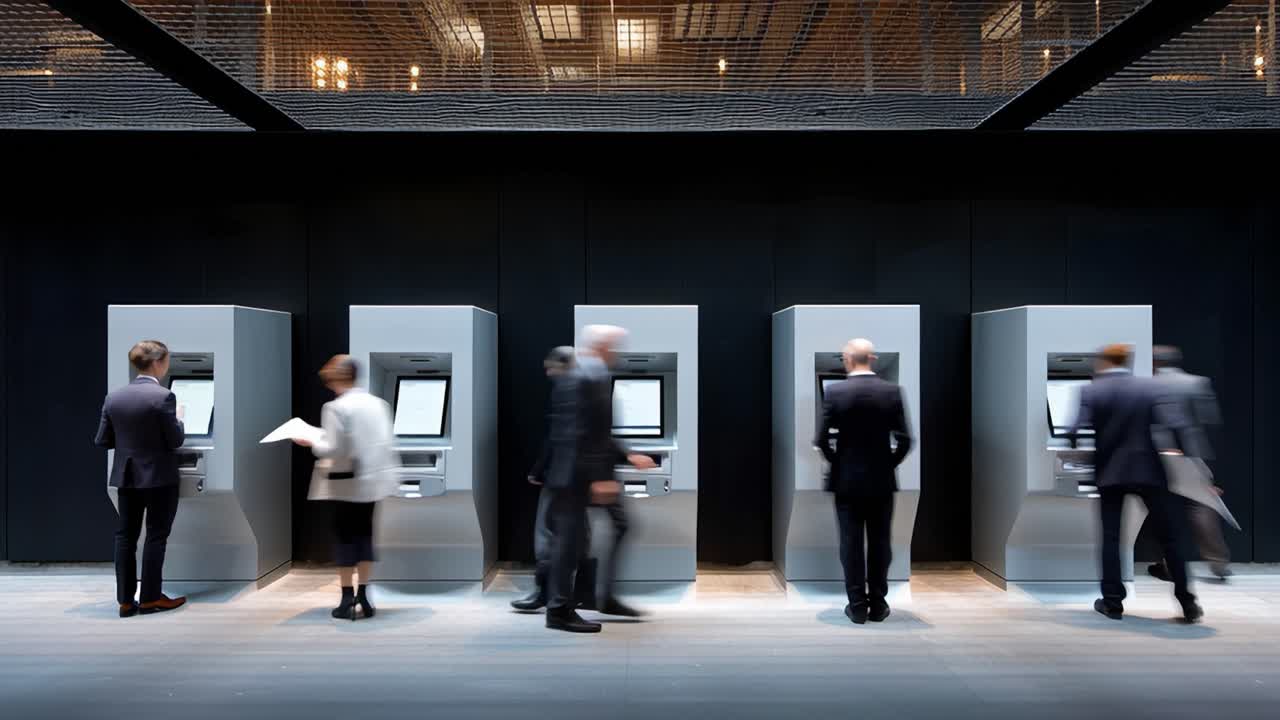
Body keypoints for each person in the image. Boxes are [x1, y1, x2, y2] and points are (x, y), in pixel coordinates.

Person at [1073, 344, 1202, 623]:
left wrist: (1080, 447)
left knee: (1111, 538)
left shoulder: (1091, 390)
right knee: (1169, 537)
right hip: (1148, 471)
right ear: (1127, 361)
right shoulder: (1149, 387)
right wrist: (1191, 459)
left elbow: (1076, 428)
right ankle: (1187, 602)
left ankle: (1112, 603)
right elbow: (1176, 423)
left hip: (1110, 473)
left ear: (1104, 362)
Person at [542, 325, 655, 633]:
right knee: (570, 542)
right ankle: (558, 610)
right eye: (614, 346)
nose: (617, 352)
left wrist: (628, 455)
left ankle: (606, 597)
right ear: (600, 346)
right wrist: (599, 478)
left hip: (589, 471)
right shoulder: (582, 377)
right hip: (577, 476)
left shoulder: (593, 375)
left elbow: (598, 431)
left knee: (621, 525)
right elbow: (576, 434)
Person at [816, 338, 913, 625]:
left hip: (846, 481)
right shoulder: (891, 392)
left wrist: (838, 463)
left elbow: (822, 439)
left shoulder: (835, 392)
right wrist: (887, 464)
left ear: (847, 360)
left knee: (851, 543)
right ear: (872, 359)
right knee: (881, 542)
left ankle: (857, 606)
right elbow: (906, 441)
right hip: (881, 481)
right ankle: (879, 605)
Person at [295, 355, 399, 621]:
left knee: (345, 538)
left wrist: (311, 441)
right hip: (372, 481)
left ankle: (346, 599)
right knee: (365, 535)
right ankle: (364, 596)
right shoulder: (379, 404)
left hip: (345, 482)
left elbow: (333, 448)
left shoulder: (335, 408)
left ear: (336, 378)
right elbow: (384, 442)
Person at [94, 339, 188, 617]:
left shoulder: (114, 398)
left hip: (127, 476)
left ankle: (125, 601)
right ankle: (150, 599)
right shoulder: (164, 397)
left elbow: (102, 440)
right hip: (160, 477)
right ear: (158, 362)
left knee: (126, 536)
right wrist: (180, 419)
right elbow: (175, 440)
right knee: (156, 536)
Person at [511, 347, 596, 612]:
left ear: (564, 364)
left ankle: (546, 593)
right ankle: (583, 593)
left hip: (563, 474)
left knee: (547, 533)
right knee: (579, 534)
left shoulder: (568, 388)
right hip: (579, 474)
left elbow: (557, 435)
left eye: (551, 367)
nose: (548, 373)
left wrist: (539, 469)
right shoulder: (586, 386)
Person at [1148, 345, 1230, 581]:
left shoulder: (1147, 385)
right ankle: (1218, 562)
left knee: (1161, 508)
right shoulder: (1197, 383)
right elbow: (1210, 422)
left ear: (1154, 362)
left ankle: (1167, 564)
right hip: (1193, 454)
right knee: (1201, 506)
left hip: (1158, 453)